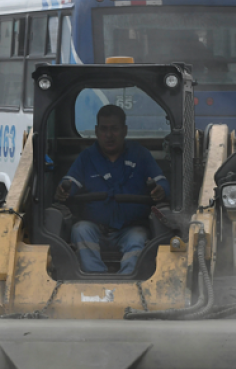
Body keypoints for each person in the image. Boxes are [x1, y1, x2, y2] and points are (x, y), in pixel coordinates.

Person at [54, 104, 168, 274]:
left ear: (125, 130)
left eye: (114, 129)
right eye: (104, 129)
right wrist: (63, 190)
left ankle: (128, 282)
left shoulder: (140, 155)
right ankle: (95, 279)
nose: (109, 135)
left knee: (138, 237)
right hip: (95, 228)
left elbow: (162, 182)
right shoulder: (86, 158)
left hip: (131, 228)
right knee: (80, 230)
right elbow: (69, 182)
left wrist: (161, 190)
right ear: (96, 131)